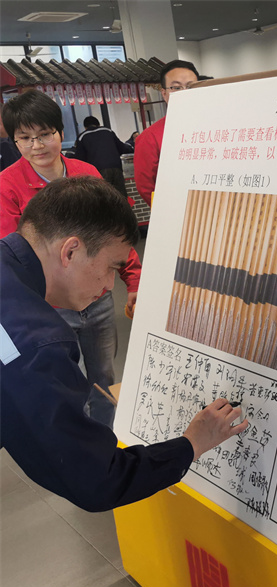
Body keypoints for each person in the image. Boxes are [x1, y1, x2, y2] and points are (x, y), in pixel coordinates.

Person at [0, 176, 248, 512]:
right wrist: (192, 443)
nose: (108, 285)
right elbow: (97, 481)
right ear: (70, 251)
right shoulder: (33, 342)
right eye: (112, 267)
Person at [0, 90, 141, 428]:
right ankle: (81, 439)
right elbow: (13, 256)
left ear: (60, 132)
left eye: (45, 134)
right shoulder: (8, 185)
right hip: (51, 307)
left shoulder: (85, 173)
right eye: (25, 138)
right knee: (64, 380)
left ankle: (107, 436)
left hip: (99, 299)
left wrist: (134, 281)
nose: (37, 145)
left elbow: (114, 234)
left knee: (104, 373)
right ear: (14, 141)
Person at [134, 59, 199, 206]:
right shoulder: (149, 137)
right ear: (164, 93)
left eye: (191, 87)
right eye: (176, 87)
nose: (185, 93)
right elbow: (146, 187)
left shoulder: (215, 128)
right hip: (176, 211)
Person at [73, 115, 132, 198]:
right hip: (116, 167)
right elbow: (122, 148)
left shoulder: (82, 136)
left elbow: (80, 158)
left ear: (85, 127)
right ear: (98, 124)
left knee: (104, 197)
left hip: (98, 170)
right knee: (121, 196)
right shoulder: (108, 131)